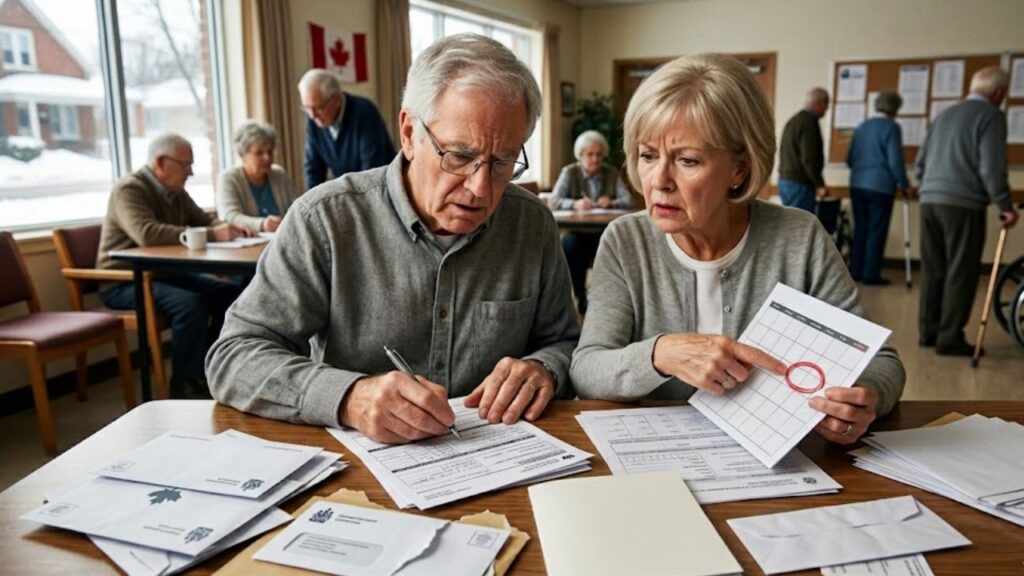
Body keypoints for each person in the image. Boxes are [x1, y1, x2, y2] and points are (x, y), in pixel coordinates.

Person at [207, 34, 579, 444]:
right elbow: (234, 357)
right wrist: (349, 397)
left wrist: (544, 368)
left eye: (503, 161)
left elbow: (564, 342)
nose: (480, 188)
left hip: (501, 459)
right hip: (360, 473)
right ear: (408, 132)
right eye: (459, 155)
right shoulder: (326, 220)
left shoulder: (532, 224)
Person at [570, 54, 905, 444]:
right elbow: (588, 369)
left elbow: (882, 362)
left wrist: (864, 401)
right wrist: (662, 353)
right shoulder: (626, 240)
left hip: (777, 466)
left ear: (740, 169)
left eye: (687, 160)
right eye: (647, 155)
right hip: (656, 458)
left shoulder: (799, 237)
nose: (659, 180)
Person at [96, 132, 250, 398]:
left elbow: (203, 220)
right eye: (185, 164)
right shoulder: (129, 190)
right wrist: (213, 234)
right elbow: (147, 234)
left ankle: (215, 368)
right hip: (124, 281)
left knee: (230, 296)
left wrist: (224, 227)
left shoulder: (176, 192)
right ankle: (185, 384)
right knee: (190, 304)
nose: (190, 172)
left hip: (165, 274)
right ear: (160, 162)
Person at [915, 66, 1019, 356]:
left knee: (934, 269)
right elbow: (991, 167)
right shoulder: (991, 117)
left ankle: (928, 332)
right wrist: (1005, 205)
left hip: (929, 201)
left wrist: (931, 188)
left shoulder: (945, 114)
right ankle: (949, 338)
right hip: (963, 204)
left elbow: (920, 164)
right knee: (961, 271)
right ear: (999, 92)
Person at [549, 130, 634, 313]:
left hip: (604, 232)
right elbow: (554, 200)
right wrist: (575, 204)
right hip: (577, 233)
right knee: (569, 246)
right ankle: (580, 296)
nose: (595, 159)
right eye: (590, 154)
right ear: (580, 155)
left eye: (599, 155)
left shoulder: (611, 173)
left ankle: (609, 301)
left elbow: (628, 201)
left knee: (618, 246)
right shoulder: (569, 172)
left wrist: (611, 202)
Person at [846, 91, 910, 285]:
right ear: (895, 109)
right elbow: (895, 161)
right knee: (876, 230)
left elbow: (849, 159)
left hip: (857, 184)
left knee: (860, 229)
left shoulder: (862, 126)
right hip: (880, 187)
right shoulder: (891, 128)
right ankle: (871, 274)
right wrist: (904, 184)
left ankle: (855, 271)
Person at [298, 69, 395, 190]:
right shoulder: (313, 120)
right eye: (307, 108)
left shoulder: (365, 112)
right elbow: (313, 169)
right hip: (351, 191)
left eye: (318, 108)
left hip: (382, 188)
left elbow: (371, 170)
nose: (312, 115)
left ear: (336, 100)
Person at [217, 119, 299, 232]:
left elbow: (297, 208)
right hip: (249, 243)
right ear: (242, 154)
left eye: (270, 152)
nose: (267, 158)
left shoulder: (279, 174)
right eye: (259, 153)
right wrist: (262, 224)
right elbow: (229, 216)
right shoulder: (229, 178)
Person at [778, 87, 830, 212]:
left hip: (785, 181)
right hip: (800, 184)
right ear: (818, 103)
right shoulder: (809, 123)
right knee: (801, 227)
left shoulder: (794, 120)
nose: (827, 109)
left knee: (790, 225)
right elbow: (809, 158)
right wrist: (819, 184)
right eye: (826, 104)